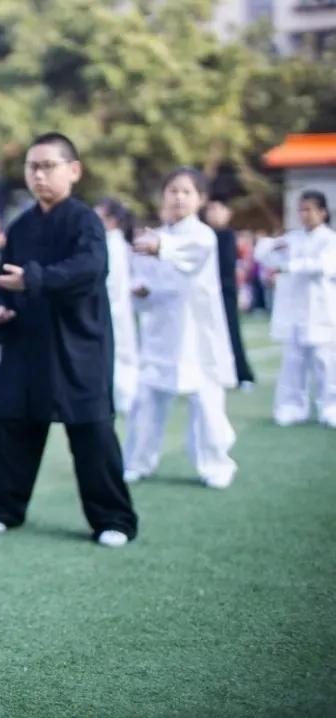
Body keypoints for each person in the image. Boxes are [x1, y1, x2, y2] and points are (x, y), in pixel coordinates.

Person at [0, 133, 138, 547]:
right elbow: (3, 280)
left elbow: (88, 269)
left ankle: (113, 520)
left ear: (74, 171)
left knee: (91, 432)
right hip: (27, 342)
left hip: (77, 345)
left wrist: (33, 279)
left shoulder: (86, 221)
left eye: (48, 165)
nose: (39, 175)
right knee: (11, 421)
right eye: (32, 167)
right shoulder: (21, 226)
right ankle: (3, 508)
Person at [125, 167, 238, 489]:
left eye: (186, 191)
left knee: (206, 402)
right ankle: (137, 460)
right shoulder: (155, 236)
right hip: (161, 331)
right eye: (172, 190)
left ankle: (216, 464)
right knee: (147, 399)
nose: (178, 197)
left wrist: (160, 247)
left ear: (200, 199)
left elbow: (188, 258)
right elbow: (144, 280)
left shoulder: (202, 236)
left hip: (197, 333)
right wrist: (141, 291)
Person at [253, 190, 336, 427]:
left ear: (322, 212)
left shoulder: (330, 240)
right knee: (292, 362)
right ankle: (291, 407)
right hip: (293, 311)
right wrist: (272, 246)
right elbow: (263, 255)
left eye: (310, 209)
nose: (305, 215)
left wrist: (289, 266)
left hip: (321, 311)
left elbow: (323, 265)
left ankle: (330, 408)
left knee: (325, 363)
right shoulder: (292, 238)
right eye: (301, 209)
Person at [204, 197, 256, 390]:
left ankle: (243, 375)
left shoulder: (227, 235)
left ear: (228, 213)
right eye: (210, 209)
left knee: (231, 333)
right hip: (206, 294)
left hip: (225, 293)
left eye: (218, 209)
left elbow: (226, 267)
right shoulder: (204, 234)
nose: (213, 213)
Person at [94, 198, 140, 415]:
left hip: (114, 308)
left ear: (111, 220)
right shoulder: (110, 243)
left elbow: (111, 281)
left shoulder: (113, 245)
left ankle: (126, 398)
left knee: (121, 352)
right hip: (114, 307)